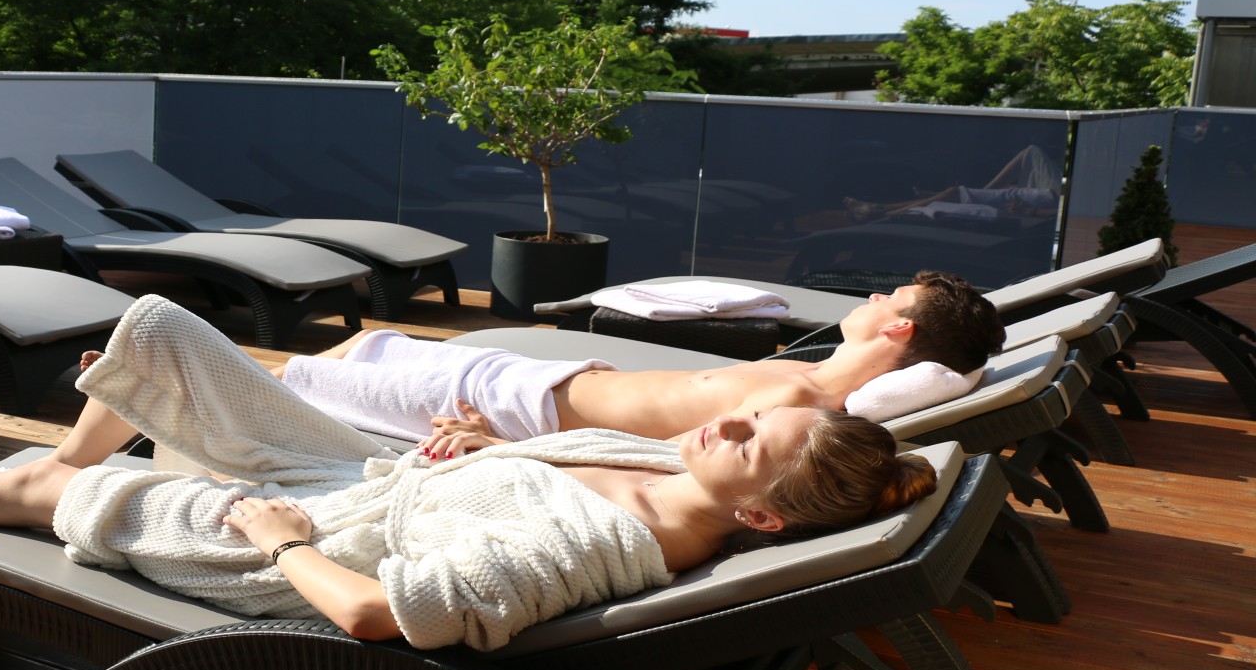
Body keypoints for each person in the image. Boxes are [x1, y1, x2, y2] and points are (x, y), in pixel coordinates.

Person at [0, 294, 938, 652]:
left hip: (325, 548)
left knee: (54, 495)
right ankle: (102, 439)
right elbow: (534, 472)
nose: (732, 424)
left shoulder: (602, 549)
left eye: (753, 445)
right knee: (165, 327)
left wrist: (280, 538)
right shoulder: (671, 471)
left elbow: (390, 618)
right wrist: (487, 450)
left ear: (768, 512)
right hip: (374, 475)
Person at [275, 270, 1003, 456]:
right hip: (524, 376)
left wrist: (500, 451)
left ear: (900, 329)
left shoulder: (800, 412)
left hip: (508, 411)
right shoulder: (803, 378)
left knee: (281, 384)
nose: (874, 294)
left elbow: (668, 463)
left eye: (890, 296)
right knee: (359, 344)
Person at [844, 144, 1059, 223]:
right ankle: (878, 210)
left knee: (952, 195)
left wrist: (1030, 212)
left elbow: (1065, 215)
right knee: (950, 196)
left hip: (1041, 201)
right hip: (1036, 199)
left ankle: (880, 211)